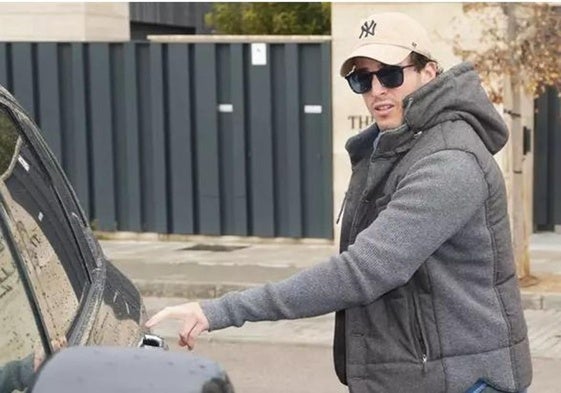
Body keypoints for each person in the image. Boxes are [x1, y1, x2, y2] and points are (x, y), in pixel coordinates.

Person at [147, 12, 532, 393]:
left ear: (427, 73)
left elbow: (364, 271)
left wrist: (220, 310)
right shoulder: (392, 147)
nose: (377, 90)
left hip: (460, 382)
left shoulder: (449, 160)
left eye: (390, 74)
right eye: (362, 79)